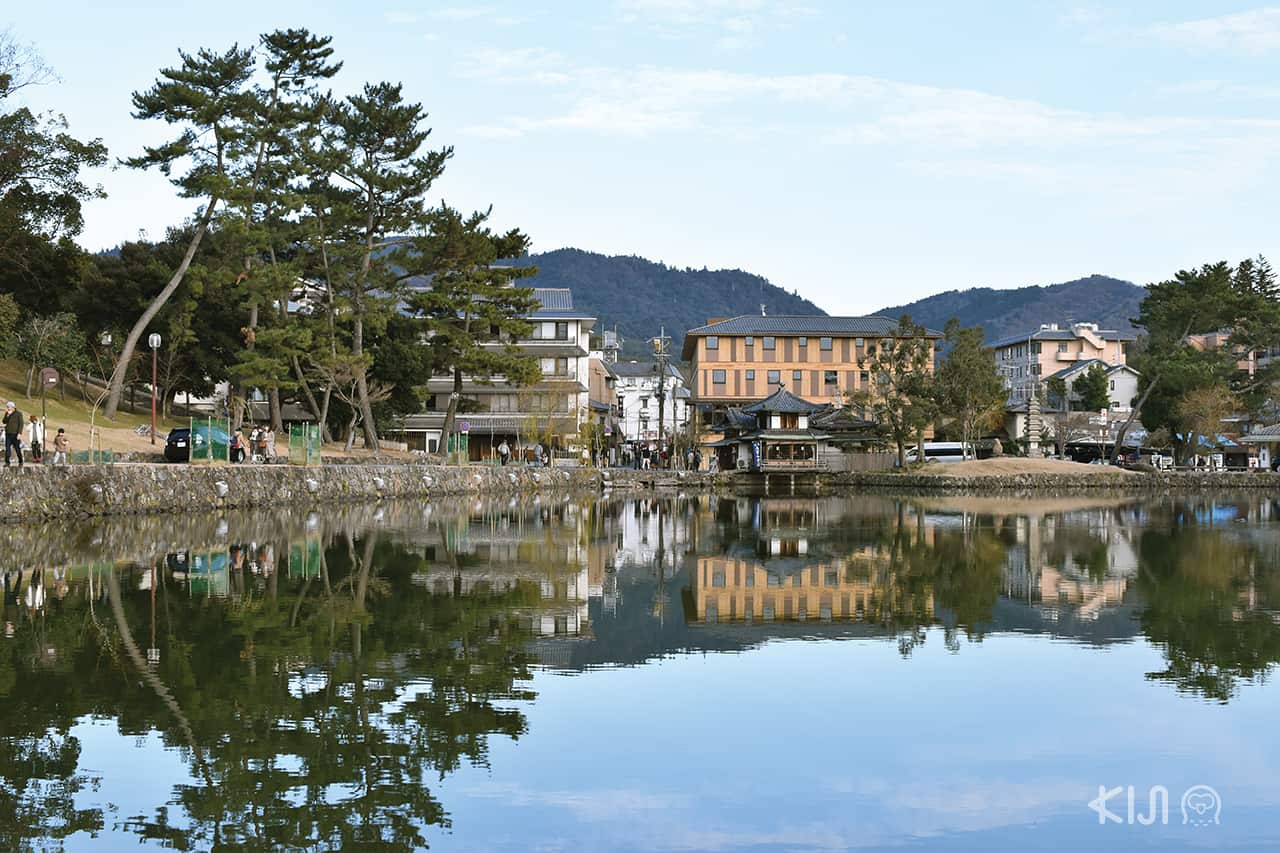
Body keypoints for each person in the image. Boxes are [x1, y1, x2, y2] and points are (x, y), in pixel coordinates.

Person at [3, 402, 23, 468]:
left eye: (9, 407)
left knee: (17, 449)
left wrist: (19, 433)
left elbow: (21, 424)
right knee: (7, 449)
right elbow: (4, 421)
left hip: (15, 434)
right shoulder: (7, 413)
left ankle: (21, 461)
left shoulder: (18, 414)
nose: (8, 408)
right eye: (7, 407)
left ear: (13, 407)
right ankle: (7, 462)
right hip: (8, 434)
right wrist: (7, 415)